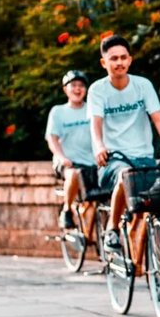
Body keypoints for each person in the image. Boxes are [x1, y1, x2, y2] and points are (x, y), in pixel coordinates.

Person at [88, 35, 160, 254]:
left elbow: (158, 118)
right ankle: (112, 228)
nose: (119, 62)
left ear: (130, 60)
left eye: (123, 57)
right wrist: (99, 147)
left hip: (144, 157)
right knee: (126, 175)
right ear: (104, 63)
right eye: (114, 58)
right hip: (114, 159)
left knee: (146, 209)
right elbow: (96, 124)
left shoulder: (143, 85)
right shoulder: (97, 90)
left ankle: (139, 262)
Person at [46, 70, 95, 229]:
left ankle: (89, 234)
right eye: (73, 85)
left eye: (81, 85)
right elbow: (52, 138)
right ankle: (66, 210)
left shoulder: (92, 109)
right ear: (65, 89)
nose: (77, 89)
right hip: (68, 162)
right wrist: (61, 157)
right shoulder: (58, 112)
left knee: (95, 199)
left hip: (91, 162)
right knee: (73, 174)